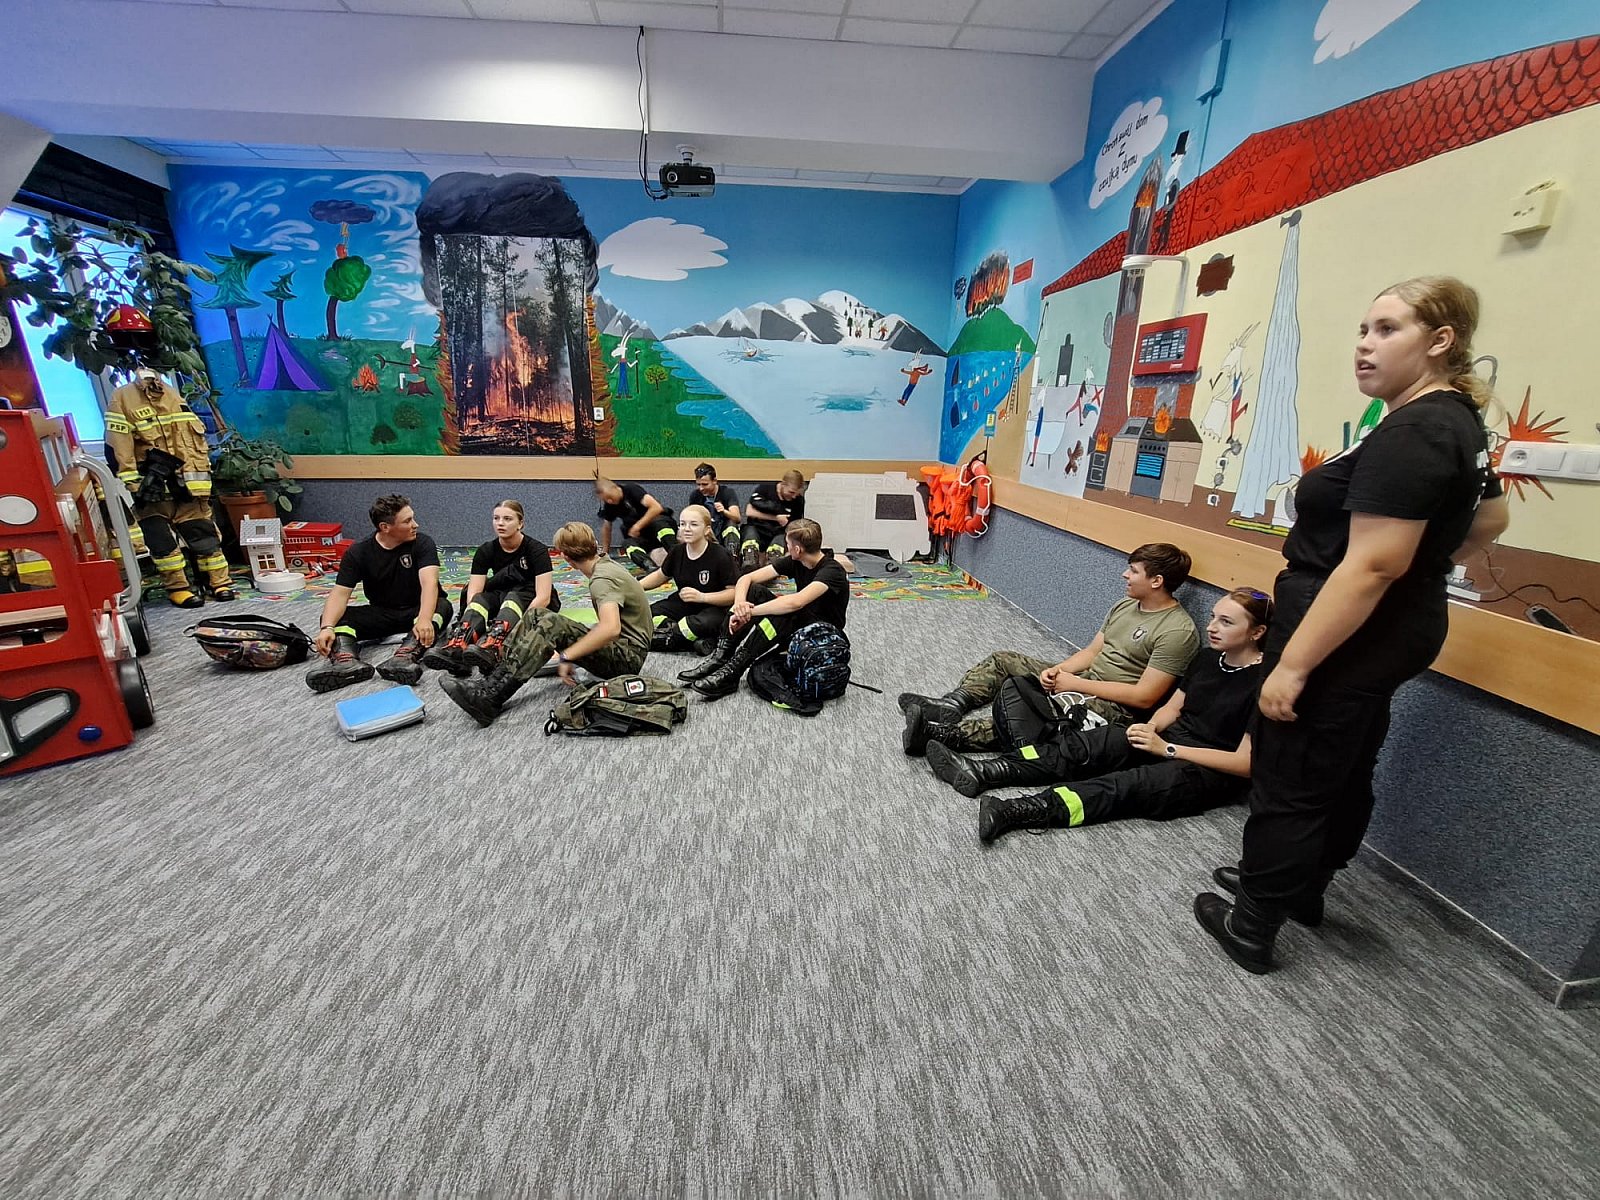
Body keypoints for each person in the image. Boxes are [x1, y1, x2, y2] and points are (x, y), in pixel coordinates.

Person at [1195, 276, 1510, 975]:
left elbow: (1371, 565)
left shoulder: (1419, 429)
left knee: (1291, 776)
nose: (1365, 345)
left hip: (1345, 633)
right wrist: (1422, 570)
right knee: (1344, 764)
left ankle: (1253, 923)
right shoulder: (1456, 420)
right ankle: (1301, 888)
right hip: (1389, 628)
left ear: (1441, 341)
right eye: (1363, 330)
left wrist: (1294, 665)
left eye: (1388, 330)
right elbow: (1491, 519)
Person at [929, 588, 1271, 841]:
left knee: (1125, 786)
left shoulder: (1267, 684)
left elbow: (1245, 763)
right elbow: (1173, 707)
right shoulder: (1209, 659)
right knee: (1086, 746)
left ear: (1257, 632)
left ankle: (1025, 810)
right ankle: (983, 771)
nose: (1212, 627)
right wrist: (1150, 729)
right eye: (1212, 617)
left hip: (1209, 769)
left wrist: (1167, 749)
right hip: (1167, 739)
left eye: (1226, 622)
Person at [899, 543, 1201, 755]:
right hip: (1087, 679)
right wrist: (1059, 671)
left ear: (1156, 581)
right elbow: (1092, 652)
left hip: (1116, 706)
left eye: (1133, 571)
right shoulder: (1125, 605)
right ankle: (953, 705)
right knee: (1003, 660)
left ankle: (947, 735)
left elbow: (1144, 697)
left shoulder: (1177, 631)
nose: (1125, 575)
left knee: (1040, 717)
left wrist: (1075, 685)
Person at [440, 521, 652, 727]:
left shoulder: (602, 580)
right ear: (593, 544)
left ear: (565, 557)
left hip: (627, 659)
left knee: (551, 623)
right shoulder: (605, 565)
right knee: (536, 615)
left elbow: (611, 629)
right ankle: (497, 673)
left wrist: (568, 655)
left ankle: (490, 697)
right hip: (623, 648)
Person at [104, 371, 235, 608]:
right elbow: (118, 445)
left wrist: (200, 481)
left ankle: (218, 582)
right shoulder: (122, 398)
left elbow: (195, 444)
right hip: (152, 488)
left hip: (187, 486)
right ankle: (178, 587)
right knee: (162, 542)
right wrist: (134, 482)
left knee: (204, 535)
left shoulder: (174, 396)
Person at [682, 517, 848, 699]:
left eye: (787, 544)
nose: (786, 548)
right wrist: (739, 605)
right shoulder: (796, 560)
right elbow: (746, 579)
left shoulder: (832, 571)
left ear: (797, 549)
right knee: (754, 591)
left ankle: (734, 670)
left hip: (821, 634)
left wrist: (750, 612)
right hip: (799, 622)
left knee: (783, 612)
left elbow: (796, 602)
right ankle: (721, 656)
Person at [307, 494, 450, 692]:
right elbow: (340, 594)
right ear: (385, 527)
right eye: (407, 521)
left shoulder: (423, 543)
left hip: (417, 611)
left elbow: (429, 584)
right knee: (333, 617)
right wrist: (327, 627)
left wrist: (424, 619)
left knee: (442, 606)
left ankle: (403, 658)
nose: (415, 525)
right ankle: (346, 662)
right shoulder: (358, 552)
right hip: (382, 612)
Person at [422, 500, 557, 676]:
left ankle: (494, 647)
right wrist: (473, 617)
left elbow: (544, 597)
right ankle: (457, 648)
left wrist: (522, 628)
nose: (500, 523)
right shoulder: (485, 550)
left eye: (507, 519)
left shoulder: (536, 550)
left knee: (512, 600)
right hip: (501, 594)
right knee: (479, 600)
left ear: (520, 523)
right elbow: (474, 593)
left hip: (529, 597)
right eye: (496, 518)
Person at [639, 504, 738, 654]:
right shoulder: (677, 551)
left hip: (715, 608)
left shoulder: (720, 555)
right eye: (683, 524)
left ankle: (673, 638)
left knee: (698, 624)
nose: (686, 529)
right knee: (648, 614)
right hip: (684, 604)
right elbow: (661, 575)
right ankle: (693, 640)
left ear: (707, 529)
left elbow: (733, 593)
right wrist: (636, 586)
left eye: (693, 524)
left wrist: (702, 597)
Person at [595, 476, 676, 571]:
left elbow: (656, 507)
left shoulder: (631, 490)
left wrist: (638, 526)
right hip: (646, 537)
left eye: (610, 497)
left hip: (660, 526)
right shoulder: (610, 505)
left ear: (615, 488)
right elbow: (607, 527)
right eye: (606, 500)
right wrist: (605, 552)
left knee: (658, 524)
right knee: (627, 544)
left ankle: (677, 555)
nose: (609, 501)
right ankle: (650, 567)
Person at [739, 469, 807, 569]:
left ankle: (772, 567)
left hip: (779, 532)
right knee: (750, 543)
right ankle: (749, 565)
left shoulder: (798, 501)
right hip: (757, 527)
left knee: (776, 550)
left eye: (796, 494)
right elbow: (749, 512)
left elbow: (794, 525)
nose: (793, 496)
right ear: (783, 484)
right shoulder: (766, 488)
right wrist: (776, 517)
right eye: (791, 492)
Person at [687, 462, 743, 556]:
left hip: (723, 530)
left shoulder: (727, 492)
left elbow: (737, 518)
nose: (701, 488)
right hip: (706, 531)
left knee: (731, 526)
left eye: (705, 484)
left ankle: (732, 557)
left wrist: (724, 511)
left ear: (714, 481)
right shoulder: (695, 495)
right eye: (698, 484)